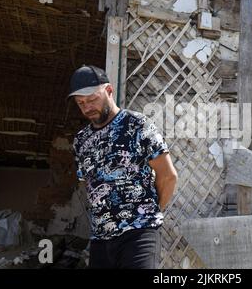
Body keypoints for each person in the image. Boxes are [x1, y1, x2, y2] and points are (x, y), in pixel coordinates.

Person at [69, 65, 177, 269]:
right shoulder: (81, 141)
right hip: (100, 239)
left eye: (92, 99)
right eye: (80, 103)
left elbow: (168, 176)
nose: (87, 107)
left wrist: (148, 215)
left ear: (109, 91)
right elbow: (89, 186)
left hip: (138, 234)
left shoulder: (137, 124)